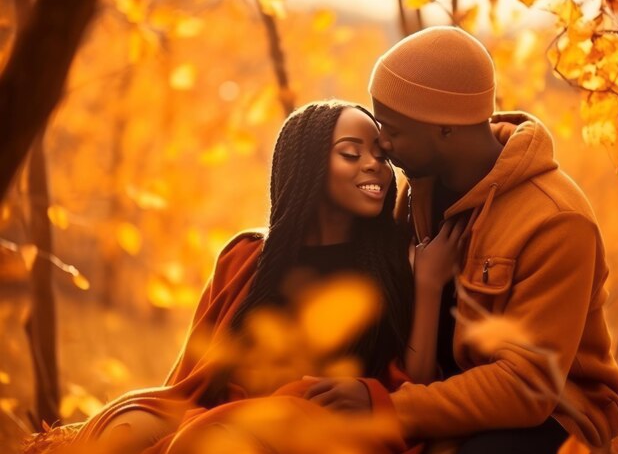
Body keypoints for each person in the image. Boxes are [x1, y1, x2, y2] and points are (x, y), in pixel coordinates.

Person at [25, 100, 458, 454]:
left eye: (381, 156)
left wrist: (428, 285)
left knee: (204, 443)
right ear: (307, 166)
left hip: (316, 428)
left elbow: (413, 381)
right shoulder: (248, 255)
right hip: (223, 409)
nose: (374, 167)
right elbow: (190, 377)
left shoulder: (395, 262)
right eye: (351, 153)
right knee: (121, 427)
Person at [304, 26, 618, 453]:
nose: (382, 142)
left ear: (446, 130)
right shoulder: (420, 187)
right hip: (438, 394)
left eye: (393, 129)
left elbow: (527, 387)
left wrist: (388, 408)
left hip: (555, 416)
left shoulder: (556, 221)